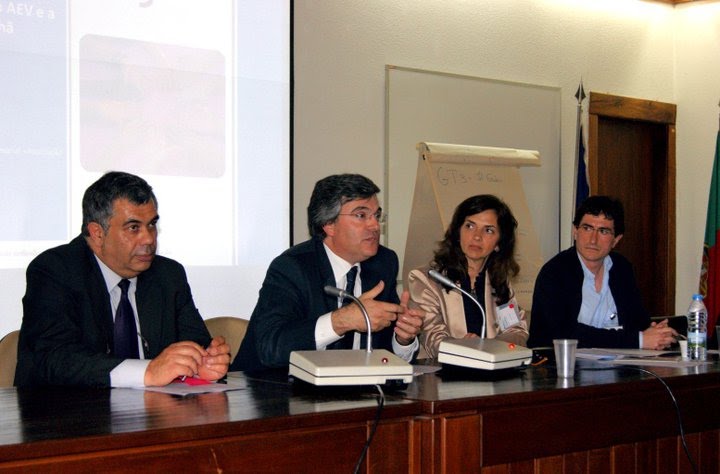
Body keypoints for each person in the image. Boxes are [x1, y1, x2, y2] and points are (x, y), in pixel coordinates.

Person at [15, 171, 230, 387]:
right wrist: (147, 372)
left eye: (152, 224)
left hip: (155, 407)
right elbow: (55, 358)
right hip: (68, 406)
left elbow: (196, 343)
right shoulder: (55, 270)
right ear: (97, 233)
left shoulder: (168, 274)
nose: (148, 238)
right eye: (133, 228)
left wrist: (205, 364)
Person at [234, 173, 423, 372]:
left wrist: (402, 339)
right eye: (361, 215)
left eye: (376, 215)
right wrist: (341, 321)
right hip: (274, 386)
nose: (375, 225)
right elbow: (270, 348)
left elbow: (382, 351)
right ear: (329, 224)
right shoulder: (292, 268)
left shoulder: (383, 263)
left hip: (356, 387)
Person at [528, 195, 677, 349]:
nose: (593, 239)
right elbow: (565, 334)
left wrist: (657, 333)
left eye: (603, 231)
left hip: (617, 361)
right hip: (560, 362)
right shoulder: (555, 272)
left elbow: (636, 321)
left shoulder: (621, 268)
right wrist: (639, 340)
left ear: (616, 240)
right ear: (575, 231)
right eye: (587, 228)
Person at [407, 195, 528, 359]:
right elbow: (432, 338)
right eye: (470, 226)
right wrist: (465, 349)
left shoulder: (499, 281)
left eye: (488, 230)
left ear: (499, 243)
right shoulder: (427, 279)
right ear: (458, 232)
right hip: (443, 371)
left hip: (492, 369)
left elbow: (517, 331)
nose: (477, 236)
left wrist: (487, 348)